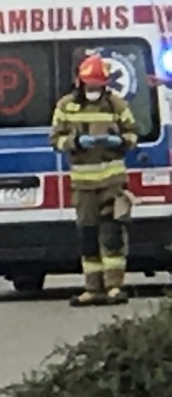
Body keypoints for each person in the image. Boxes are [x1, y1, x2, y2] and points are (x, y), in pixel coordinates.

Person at [49, 54, 136, 306]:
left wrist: (119, 141)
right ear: (80, 81)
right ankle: (92, 288)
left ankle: (114, 287)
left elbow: (132, 134)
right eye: (90, 84)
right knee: (87, 235)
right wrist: (75, 142)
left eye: (98, 85)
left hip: (112, 181)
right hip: (83, 183)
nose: (94, 90)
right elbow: (55, 139)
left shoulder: (116, 105)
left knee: (111, 234)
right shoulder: (66, 106)